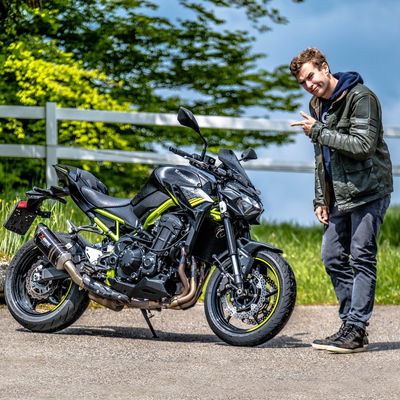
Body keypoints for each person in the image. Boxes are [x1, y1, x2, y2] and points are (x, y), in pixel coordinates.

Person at [289, 47, 393, 353]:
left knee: (361, 256)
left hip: (368, 190)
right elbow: (322, 158)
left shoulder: (361, 98)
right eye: (303, 82)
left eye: (311, 76)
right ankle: (350, 325)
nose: (309, 85)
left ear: (325, 67)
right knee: (332, 257)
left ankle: (356, 329)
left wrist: (319, 131)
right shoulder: (316, 104)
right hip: (338, 195)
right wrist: (320, 198)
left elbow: (363, 145)